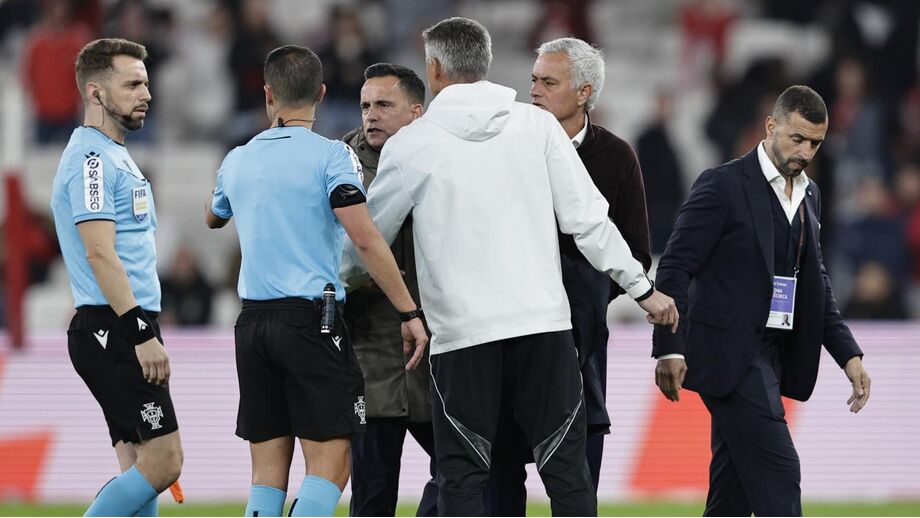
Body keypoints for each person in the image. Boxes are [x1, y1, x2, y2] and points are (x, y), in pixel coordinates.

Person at [341, 17, 678, 516]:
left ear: (433, 68)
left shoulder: (413, 145)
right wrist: (644, 290)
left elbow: (366, 244)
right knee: (568, 476)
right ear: (487, 64)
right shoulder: (537, 126)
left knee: (464, 478)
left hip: (463, 338)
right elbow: (590, 222)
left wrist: (347, 284)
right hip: (544, 330)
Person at [205, 45, 428, 517]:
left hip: (252, 325)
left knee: (267, 474)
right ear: (322, 94)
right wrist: (408, 310)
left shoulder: (236, 160)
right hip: (312, 322)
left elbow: (213, 215)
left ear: (267, 94)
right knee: (331, 463)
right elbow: (365, 240)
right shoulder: (334, 156)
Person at [653, 85, 872, 516]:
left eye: (815, 143)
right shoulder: (722, 185)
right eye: (797, 138)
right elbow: (675, 268)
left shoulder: (810, 195)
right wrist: (669, 347)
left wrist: (848, 355)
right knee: (780, 474)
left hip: (773, 352)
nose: (806, 152)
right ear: (771, 126)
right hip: (727, 353)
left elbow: (816, 284)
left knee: (730, 498)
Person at [484, 37, 653, 514]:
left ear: (583, 92)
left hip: (580, 342)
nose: (533, 89)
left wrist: (585, 294)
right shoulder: (502, 145)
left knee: (579, 480)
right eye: (533, 79)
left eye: (548, 82)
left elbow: (635, 252)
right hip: (506, 335)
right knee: (500, 477)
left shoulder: (616, 157)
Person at [49, 38, 182, 516]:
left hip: (119, 323)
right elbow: (100, 254)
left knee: (139, 467)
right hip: (116, 326)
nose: (145, 93)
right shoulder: (91, 161)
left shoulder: (113, 153)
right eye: (131, 84)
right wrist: (141, 331)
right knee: (165, 463)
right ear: (95, 93)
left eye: (145, 83)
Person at [342, 63, 438, 517]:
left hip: (433, 354)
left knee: (463, 473)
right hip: (368, 357)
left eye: (384, 105)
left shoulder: (442, 157)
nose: (370, 115)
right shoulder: (337, 162)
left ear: (416, 113)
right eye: (365, 105)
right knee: (372, 496)